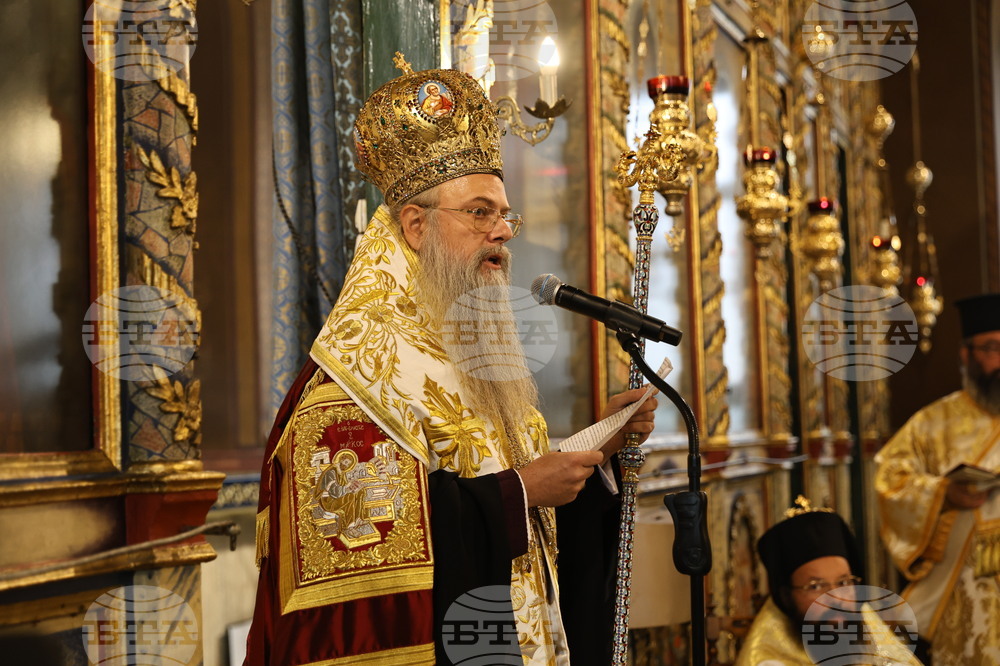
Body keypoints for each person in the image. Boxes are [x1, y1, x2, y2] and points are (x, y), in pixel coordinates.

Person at [244, 54, 657, 666]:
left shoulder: (464, 343)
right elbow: (364, 553)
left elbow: (514, 509)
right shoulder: (357, 379)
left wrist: (599, 449)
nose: (504, 231)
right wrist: (520, 492)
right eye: (480, 212)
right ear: (415, 225)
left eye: (505, 214)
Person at [875, 293, 1000, 665]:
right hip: (961, 588)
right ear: (966, 354)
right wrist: (943, 493)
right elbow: (891, 480)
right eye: (992, 348)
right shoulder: (933, 423)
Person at [736, 497, 921, 666]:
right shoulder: (769, 661)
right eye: (815, 586)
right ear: (786, 597)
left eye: (843, 583)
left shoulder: (864, 623)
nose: (837, 599)